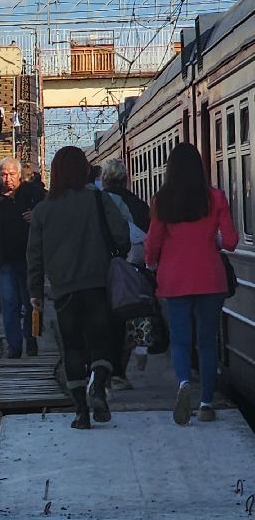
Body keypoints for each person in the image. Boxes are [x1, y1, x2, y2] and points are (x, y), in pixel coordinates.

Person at [27, 146, 129, 429]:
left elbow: (34, 255)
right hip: (97, 284)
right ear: (84, 169)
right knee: (101, 342)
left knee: (72, 348)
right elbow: (121, 234)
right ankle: (98, 385)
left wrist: (35, 291)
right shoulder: (98, 199)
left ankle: (81, 414)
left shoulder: (43, 210)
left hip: (63, 289)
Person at [145, 141, 237, 425]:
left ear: (170, 169)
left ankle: (184, 382)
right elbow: (231, 241)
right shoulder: (216, 197)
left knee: (181, 341)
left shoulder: (161, 200)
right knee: (207, 342)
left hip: (174, 280)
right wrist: (214, 240)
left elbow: (153, 241)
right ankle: (206, 403)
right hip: (210, 279)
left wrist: (151, 264)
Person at [0, 158, 45, 358]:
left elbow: (50, 215)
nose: (7, 178)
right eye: (3, 174)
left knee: (32, 301)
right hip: (3, 259)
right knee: (9, 303)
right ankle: (14, 345)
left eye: (11, 174)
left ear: (19, 175)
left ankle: (32, 339)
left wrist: (37, 216)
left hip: (29, 259)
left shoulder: (34, 194)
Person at [96, 156, 151, 387]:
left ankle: (109, 372)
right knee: (129, 315)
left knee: (109, 321)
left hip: (107, 268)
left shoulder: (99, 201)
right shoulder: (138, 203)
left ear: (104, 179)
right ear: (126, 179)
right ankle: (121, 371)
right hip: (135, 269)